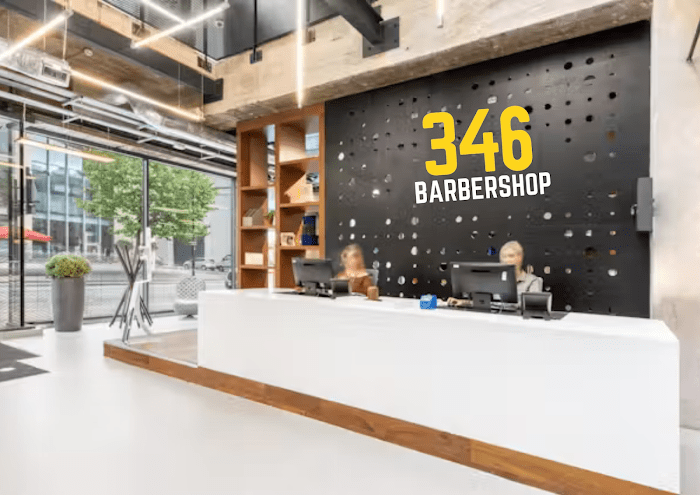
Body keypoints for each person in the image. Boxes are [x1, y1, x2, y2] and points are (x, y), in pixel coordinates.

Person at [447, 240, 543, 307]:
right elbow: (486, 303)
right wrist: (465, 302)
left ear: (520, 257)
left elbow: (532, 307)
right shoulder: (494, 280)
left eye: (510, 256)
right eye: (503, 257)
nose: (506, 260)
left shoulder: (533, 281)